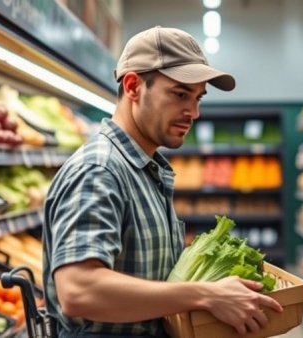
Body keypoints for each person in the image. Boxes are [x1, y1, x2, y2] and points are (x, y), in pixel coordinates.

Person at [42, 26, 283, 338]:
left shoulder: (143, 169)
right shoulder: (99, 169)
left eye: (198, 98)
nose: (193, 112)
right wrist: (205, 294)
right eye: (180, 94)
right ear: (133, 86)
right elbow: (78, 291)